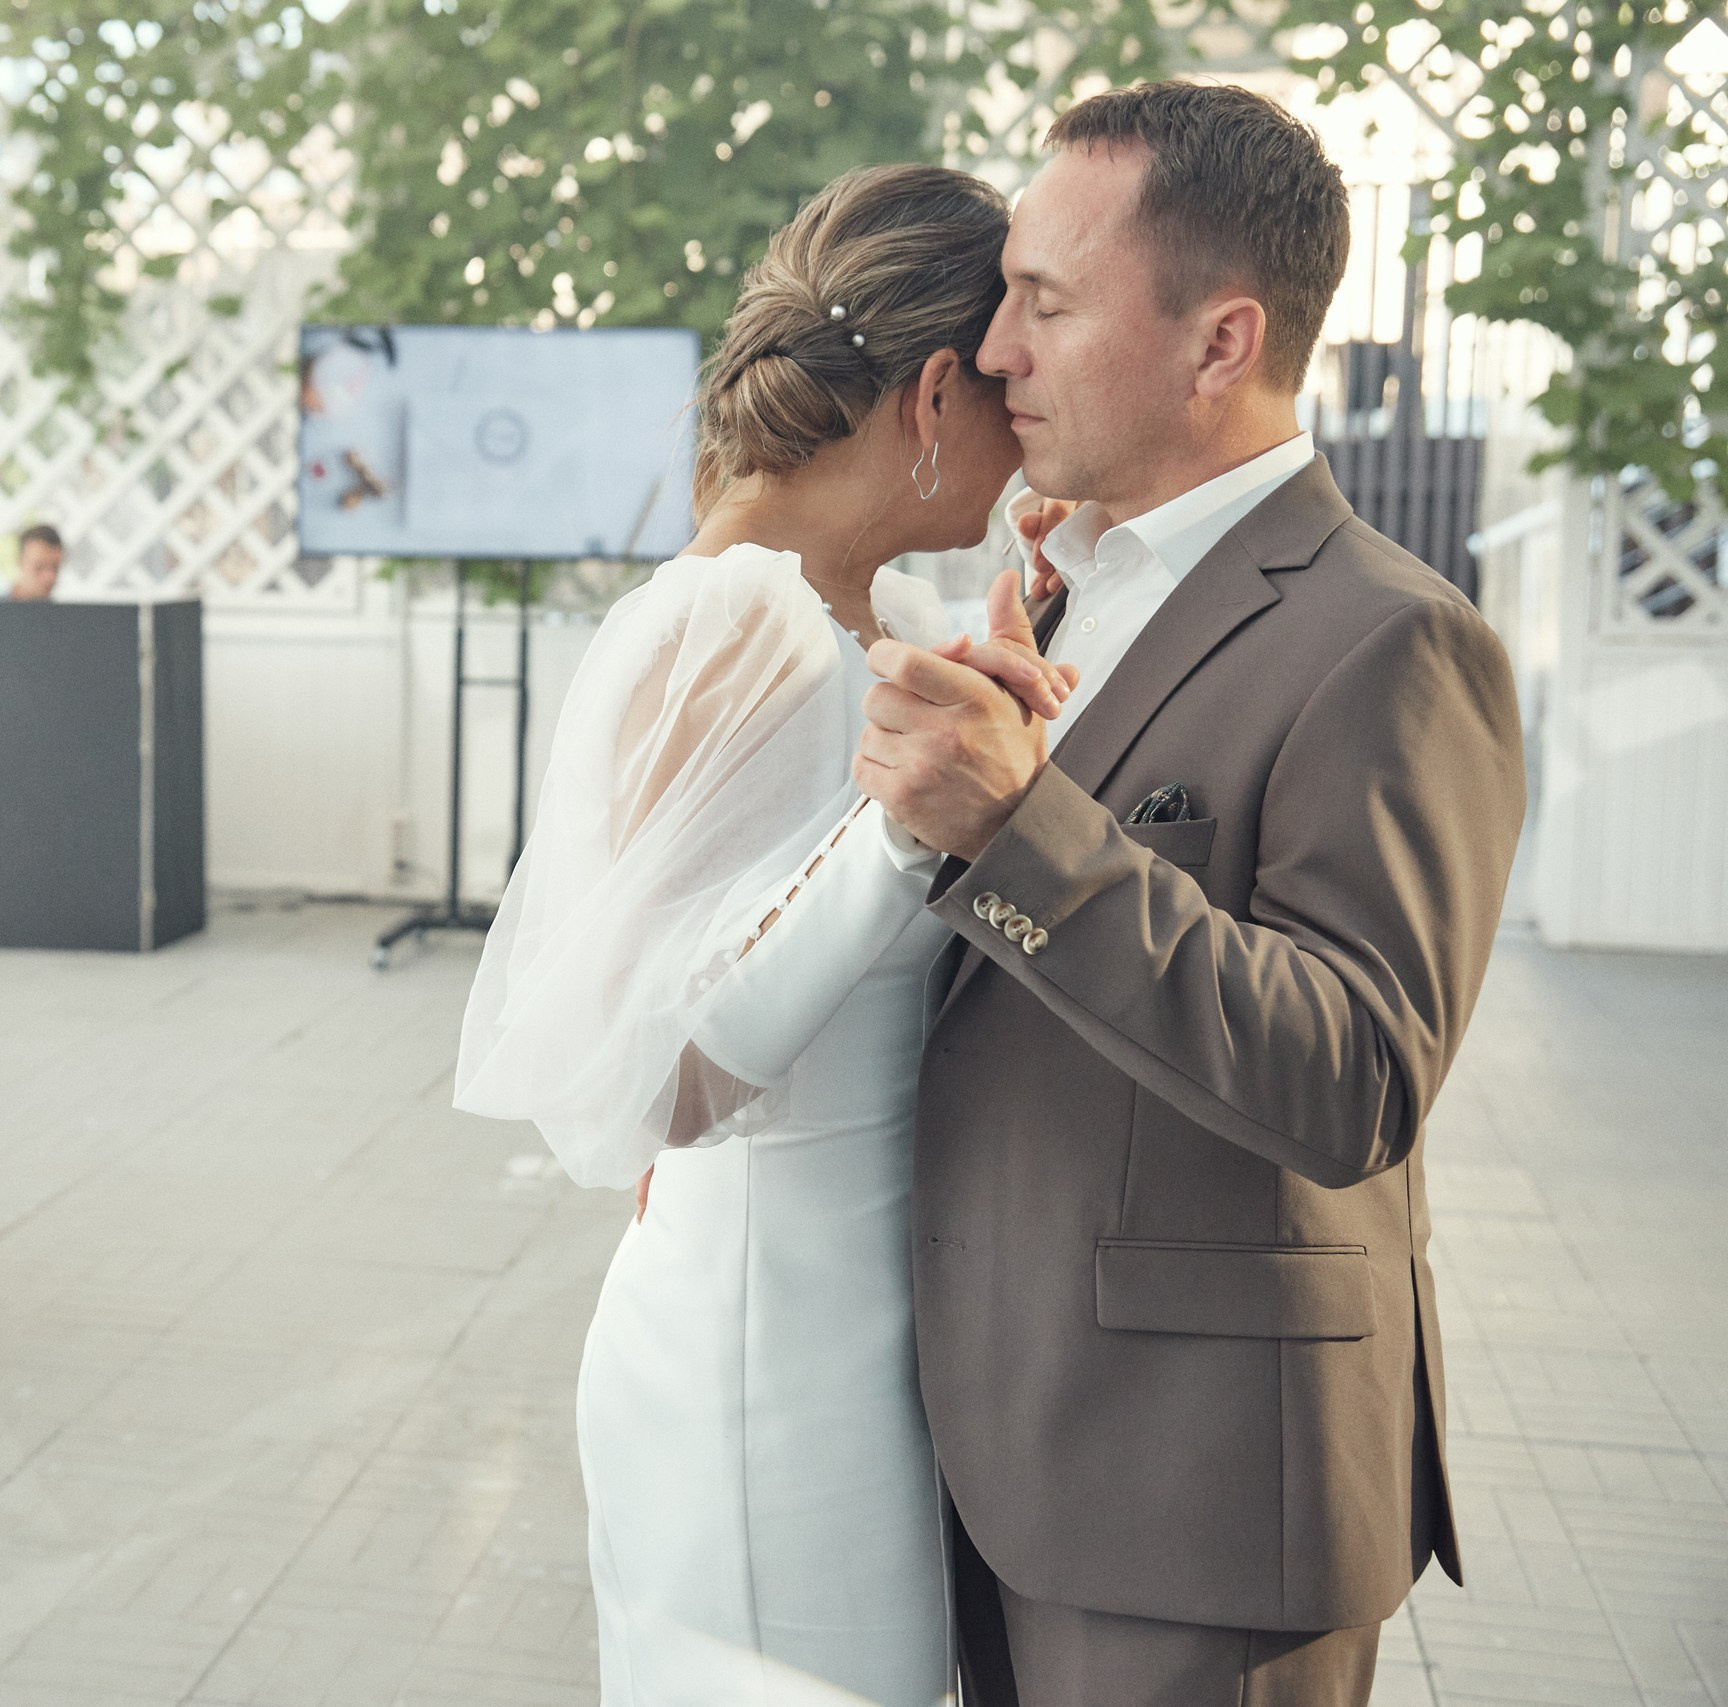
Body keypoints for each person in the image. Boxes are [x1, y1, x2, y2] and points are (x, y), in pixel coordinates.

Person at [783, 83, 1521, 1705]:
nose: (992, 356)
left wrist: (1024, 824)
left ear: (1218, 341)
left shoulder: (1393, 640)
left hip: (1193, 1508)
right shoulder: (1058, 582)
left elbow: (1358, 1078)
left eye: (1044, 303)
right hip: (984, 1452)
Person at [456, 164, 1079, 1705]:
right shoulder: (734, 622)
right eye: (1007, 387)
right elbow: (657, 1072)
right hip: (763, 1373)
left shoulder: (862, 615)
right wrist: (900, 833)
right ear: (934, 395)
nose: (1031, 425)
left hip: (852, 1343)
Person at [7, 523, 64, 600]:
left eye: (55, 568)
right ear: (20, 563)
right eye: (39, 567)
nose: (50, 577)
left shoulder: (62, 611)